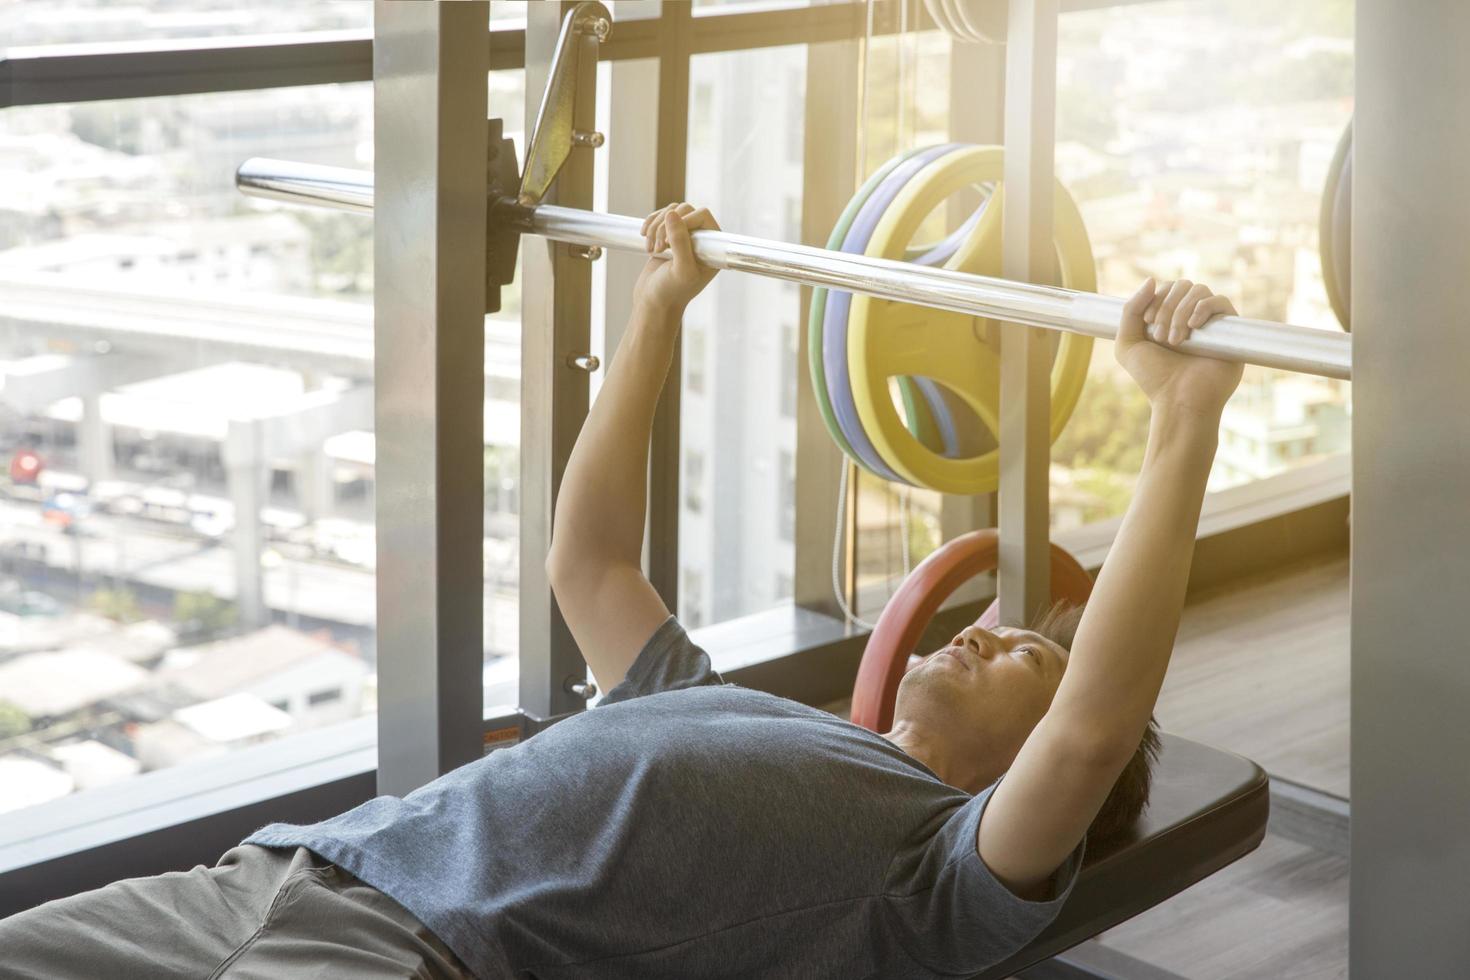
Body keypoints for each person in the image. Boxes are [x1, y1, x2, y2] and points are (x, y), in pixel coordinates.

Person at [0, 204, 1243, 980]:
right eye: (1000, 626)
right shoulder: (727, 706)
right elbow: (586, 563)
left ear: (1020, 775)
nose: (983, 635)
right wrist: (656, 310)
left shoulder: (939, 875)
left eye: (1025, 653)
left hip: (414, 954)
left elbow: (1092, 728)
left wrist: (1180, 418)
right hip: (283, 873)